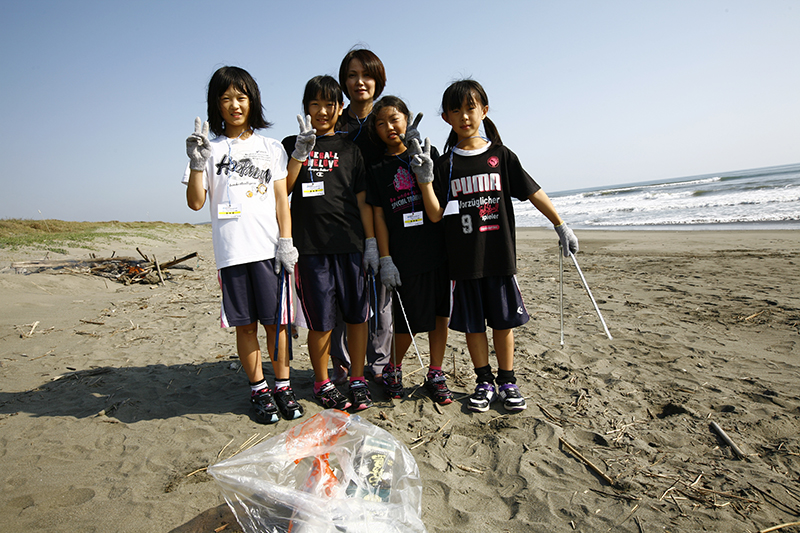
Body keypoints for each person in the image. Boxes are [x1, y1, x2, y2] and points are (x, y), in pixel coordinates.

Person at [412, 79, 579, 413]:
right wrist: (425, 179)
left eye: (470, 108)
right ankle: (484, 381)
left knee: (503, 324)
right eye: (455, 110)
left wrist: (560, 224)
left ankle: (508, 382)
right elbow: (434, 214)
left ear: (484, 111)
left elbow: (532, 191)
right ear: (446, 117)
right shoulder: (445, 164)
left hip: (499, 257)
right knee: (473, 326)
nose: (464, 116)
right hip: (463, 263)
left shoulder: (500, 156)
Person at [183, 66, 303, 424]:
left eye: (241, 97)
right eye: (226, 99)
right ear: (216, 105)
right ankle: (259, 389)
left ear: (253, 101)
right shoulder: (210, 149)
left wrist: (286, 242)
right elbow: (195, 202)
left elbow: (282, 200)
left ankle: (283, 386)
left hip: (269, 251)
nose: (235, 105)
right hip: (232, 253)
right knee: (246, 326)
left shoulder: (271, 147)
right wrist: (196, 163)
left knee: (277, 324)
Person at [282, 75, 375, 411]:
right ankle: (322, 382)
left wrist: (371, 243)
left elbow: (363, 201)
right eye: (315, 104)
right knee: (320, 321)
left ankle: (358, 379)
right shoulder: (292, 143)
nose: (322, 111)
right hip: (311, 249)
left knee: (357, 317)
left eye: (329, 104)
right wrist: (299, 153)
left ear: (340, 108)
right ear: (305, 108)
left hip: (350, 245)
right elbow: (284, 189)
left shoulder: (351, 149)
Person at [365, 95, 454, 405]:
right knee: (408, 319)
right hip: (405, 253)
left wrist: (421, 168)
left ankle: (436, 372)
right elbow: (378, 216)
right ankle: (394, 368)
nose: (389, 127)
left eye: (395, 119)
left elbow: (437, 209)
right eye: (381, 123)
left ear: (407, 119)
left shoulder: (429, 154)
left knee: (441, 315)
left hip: (438, 248)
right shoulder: (377, 168)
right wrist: (385, 257)